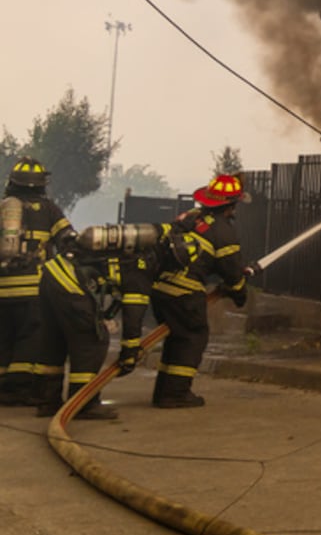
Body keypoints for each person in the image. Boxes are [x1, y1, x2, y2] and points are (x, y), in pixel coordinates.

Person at [30, 236, 158, 421]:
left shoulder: (129, 251)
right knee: (92, 342)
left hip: (52, 273)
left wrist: (103, 317)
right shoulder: (141, 270)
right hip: (70, 281)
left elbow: (110, 296)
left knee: (54, 341)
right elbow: (133, 315)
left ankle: (47, 402)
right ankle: (83, 404)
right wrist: (130, 351)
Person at [150, 172, 249, 408]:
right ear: (231, 205)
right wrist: (239, 293)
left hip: (161, 289)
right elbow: (232, 272)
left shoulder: (191, 217)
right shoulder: (224, 231)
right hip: (185, 293)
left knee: (176, 339)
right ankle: (175, 394)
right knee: (193, 338)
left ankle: (164, 392)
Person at [0, 158, 73, 406]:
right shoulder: (49, 209)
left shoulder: (3, 208)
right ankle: (19, 389)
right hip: (33, 288)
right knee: (30, 337)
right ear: (42, 184)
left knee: (4, 337)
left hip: (2, 290)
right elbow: (68, 239)